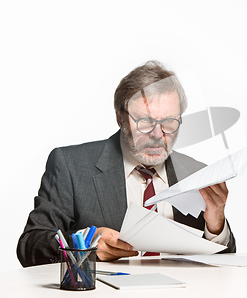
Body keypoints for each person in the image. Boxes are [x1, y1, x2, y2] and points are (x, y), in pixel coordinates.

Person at [17, 61, 235, 267]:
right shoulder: (70, 165)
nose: (158, 134)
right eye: (146, 121)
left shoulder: (195, 173)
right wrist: (86, 245)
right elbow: (30, 245)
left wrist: (215, 226)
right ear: (121, 118)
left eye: (169, 121)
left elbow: (224, 266)